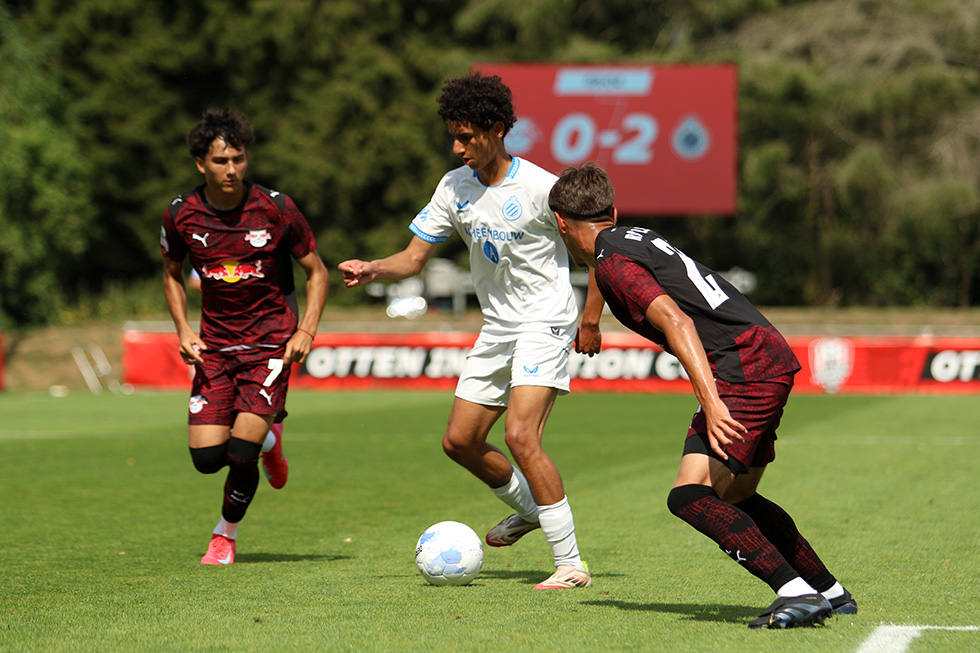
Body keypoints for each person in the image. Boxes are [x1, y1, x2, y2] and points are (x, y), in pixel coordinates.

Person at [548, 162, 856, 627]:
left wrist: (712, 403)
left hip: (740, 366)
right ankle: (828, 591)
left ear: (559, 222)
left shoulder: (613, 261)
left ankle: (795, 593)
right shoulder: (630, 239)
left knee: (689, 495)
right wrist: (590, 320)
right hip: (764, 351)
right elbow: (602, 268)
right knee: (736, 494)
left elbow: (677, 321)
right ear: (613, 210)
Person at [339, 73, 604, 589]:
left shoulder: (541, 188)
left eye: (467, 137)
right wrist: (373, 267)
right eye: (453, 137)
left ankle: (571, 565)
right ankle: (529, 510)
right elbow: (414, 259)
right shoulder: (453, 186)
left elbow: (598, 253)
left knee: (521, 436)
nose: (457, 147)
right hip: (498, 326)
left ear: (498, 130)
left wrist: (590, 319)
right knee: (459, 442)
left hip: (546, 320)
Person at [161, 108, 328, 565]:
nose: (231, 169)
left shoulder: (276, 208)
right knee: (206, 459)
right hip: (214, 348)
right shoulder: (181, 215)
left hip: (270, 346)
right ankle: (272, 441)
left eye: (237, 158)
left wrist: (306, 329)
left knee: (239, 452)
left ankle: (224, 535)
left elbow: (317, 272)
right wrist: (182, 329)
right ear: (201, 164)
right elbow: (172, 274)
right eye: (220, 161)